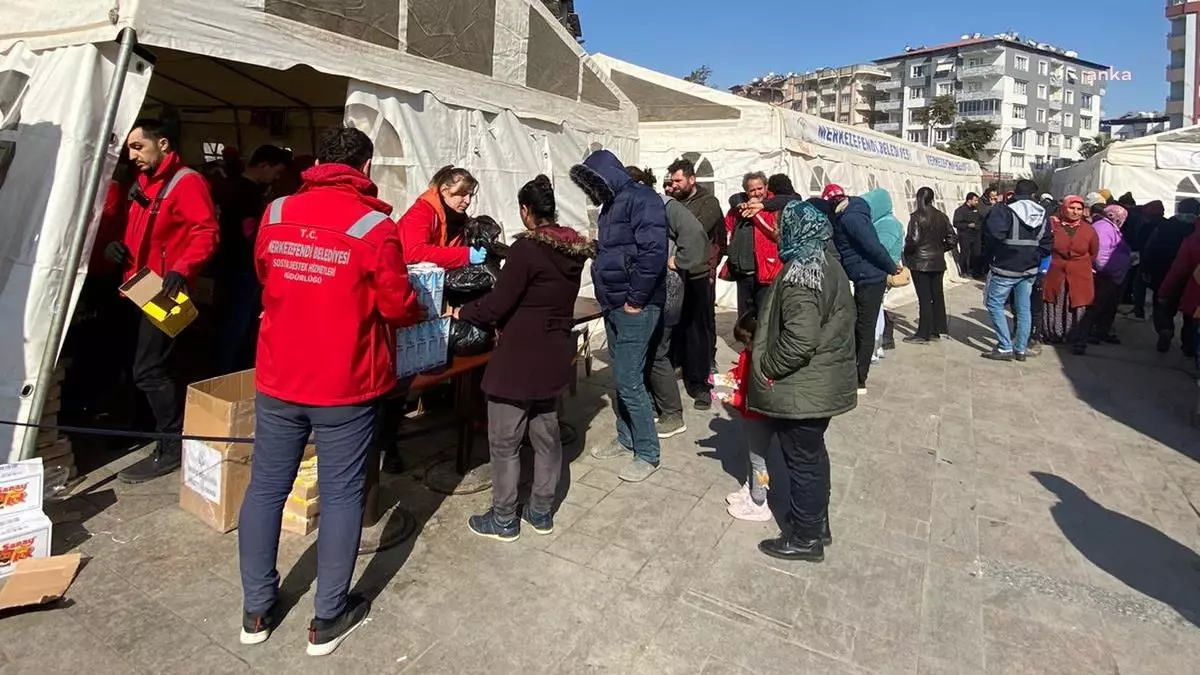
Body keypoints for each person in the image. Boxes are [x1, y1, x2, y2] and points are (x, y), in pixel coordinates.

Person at [238, 126, 426, 656]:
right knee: (342, 495)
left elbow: (264, 273)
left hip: (278, 375)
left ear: (318, 162)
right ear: (364, 168)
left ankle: (256, 609)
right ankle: (328, 615)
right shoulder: (374, 225)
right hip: (345, 383)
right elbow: (396, 305)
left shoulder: (276, 213)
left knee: (267, 487)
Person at [460, 175, 593, 541]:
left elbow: (498, 304)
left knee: (504, 441)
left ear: (525, 211)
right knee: (546, 435)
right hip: (553, 352)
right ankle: (540, 511)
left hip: (519, 356)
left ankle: (504, 517)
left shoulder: (527, 251)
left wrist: (464, 312)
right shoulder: (571, 251)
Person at [102, 119, 219, 483]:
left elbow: (207, 231)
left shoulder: (187, 182)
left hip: (163, 291)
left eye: (138, 146)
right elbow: (136, 229)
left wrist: (183, 269)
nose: (131, 154)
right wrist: (115, 246)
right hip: (135, 285)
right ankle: (140, 427)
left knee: (150, 369)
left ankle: (171, 444)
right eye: (129, 148)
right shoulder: (143, 183)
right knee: (135, 364)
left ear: (163, 144)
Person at [747, 200, 856, 562]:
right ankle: (815, 524)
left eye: (782, 226)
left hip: (802, 387)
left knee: (803, 461)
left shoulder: (801, 274)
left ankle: (806, 538)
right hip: (820, 383)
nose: (778, 232)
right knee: (812, 456)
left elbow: (800, 339)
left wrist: (767, 368)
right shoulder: (827, 262)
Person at [572, 150, 668, 482]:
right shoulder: (610, 207)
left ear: (609, 174)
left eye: (594, 182)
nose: (592, 190)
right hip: (614, 302)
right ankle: (626, 437)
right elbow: (619, 250)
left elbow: (654, 251)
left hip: (634, 304)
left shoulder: (643, 199)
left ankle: (647, 451)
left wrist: (636, 299)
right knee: (623, 377)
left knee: (629, 380)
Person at [627, 166, 706, 438]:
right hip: (647, 289)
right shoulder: (638, 208)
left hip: (667, 289)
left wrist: (679, 261)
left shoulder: (665, 205)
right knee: (649, 348)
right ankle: (654, 403)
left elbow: (695, 233)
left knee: (658, 349)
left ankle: (672, 414)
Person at [214, 144, 293, 374]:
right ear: (264, 165)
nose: (275, 178)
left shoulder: (230, 185)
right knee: (237, 328)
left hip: (227, 263)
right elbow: (251, 233)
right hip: (243, 267)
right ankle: (229, 375)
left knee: (229, 323)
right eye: (276, 172)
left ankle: (225, 371)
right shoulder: (247, 193)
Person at [819, 184, 900, 394]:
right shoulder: (850, 213)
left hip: (870, 276)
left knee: (865, 326)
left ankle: (859, 378)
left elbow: (872, 246)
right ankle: (853, 371)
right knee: (859, 323)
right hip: (864, 275)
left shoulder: (851, 218)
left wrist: (890, 267)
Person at [667, 157, 722, 399]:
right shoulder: (672, 201)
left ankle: (699, 381)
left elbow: (692, 231)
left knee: (698, 328)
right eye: (672, 181)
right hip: (676, 275)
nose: (674, 185)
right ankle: (678, 363)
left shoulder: (708, 203)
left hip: (698, 273)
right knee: (675, 324)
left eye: (678, 180)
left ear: (692, 179)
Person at [980, 179, 1052, 362]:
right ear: (1034, 194)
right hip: (1030, 268)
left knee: (994, 304)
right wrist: (1034, 257)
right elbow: (1047, 243)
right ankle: (1020, 348)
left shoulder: (1004, 210)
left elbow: (992, 236)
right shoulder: (1042, 213)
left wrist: (994, 256)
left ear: (1015, 192)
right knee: (1024, 308)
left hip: (1005, 267)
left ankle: (1004, 347)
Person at [719, 313, 773, 522]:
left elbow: (756, 396)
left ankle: (759, 502)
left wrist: (735, 400)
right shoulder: (748, 354)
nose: (743, 347)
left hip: (757, 416)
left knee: (759, 461)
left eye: (746, 342)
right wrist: (728, 377)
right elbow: (741, 373)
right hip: (750, 415)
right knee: (753, 458)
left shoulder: (762, 362)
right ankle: (751, 487)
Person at [397, 165, 488, 269]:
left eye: (470, 195)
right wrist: (465, 255)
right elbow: (414, 253)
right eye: (462, 194)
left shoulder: (460, 221)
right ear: (444, 191)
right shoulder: (421, 212)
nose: (468, 201)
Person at [1143, 198, 1200, 356]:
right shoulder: (1196, 230)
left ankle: (1165, 328)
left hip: (1163, 273)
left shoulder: (1165, 226)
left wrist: (1145, 268)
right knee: (1191, 313)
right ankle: (1188, 345)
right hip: (1192, 279)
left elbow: (1150, 248)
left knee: (1163, 306)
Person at [723, 172, 781, 320]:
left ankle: (764, 343)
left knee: (765, 313)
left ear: (766, 187)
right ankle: (748, 342)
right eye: (752, 190)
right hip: (743, 269)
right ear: (746, 192)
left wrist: (756, 214)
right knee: (745, 313)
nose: (756, 193)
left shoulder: (774, 208)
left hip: (767, 268)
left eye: (759, 188)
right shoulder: (738, 209)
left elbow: (775, 234)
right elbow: (726, 229)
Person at [1042, 196, 1098, 345]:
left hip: (1080, 275)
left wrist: (1078, 264)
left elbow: (1093, 252)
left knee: (1078, 303)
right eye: (1072, 208)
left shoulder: (1089, 230)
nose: (1075, 212)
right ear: (1064, 208)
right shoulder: (1053, 226)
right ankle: (1054, 333)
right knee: (1056, 301)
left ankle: (1077, 338)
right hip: (1056, 273)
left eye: (1079, 209)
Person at [903, 187, 956, 343]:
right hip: (937, 262)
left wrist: (909, 252)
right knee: (937, 296)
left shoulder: (917, 217)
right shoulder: (942, 217)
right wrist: (939, 249)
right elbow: (952, 239)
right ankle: (936, 330)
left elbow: (913, 239)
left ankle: (923, 333)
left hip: (920, 262)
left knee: (924, 298)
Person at [1075, 204, 1132, 351]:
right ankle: (1081, 339)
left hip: (1109, 276)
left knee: (1101, 307)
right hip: (1103, 276)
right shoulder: (1104, 228)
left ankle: (1096, 333)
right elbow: (1101, 255)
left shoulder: (1109, 227)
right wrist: (1109, 271)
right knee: (1092, 308)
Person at [861, 187, 905, 353]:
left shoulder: (887, 224)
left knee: (874, 310)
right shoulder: (882, 221)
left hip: (881, 272)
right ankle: (877, 345)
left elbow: (880, 250)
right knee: (876, 308)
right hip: (880, 271)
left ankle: (875, 345)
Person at [1128, 199, 1165, 320]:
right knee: (1158, 288)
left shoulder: (1149, 225)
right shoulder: (1166, 224)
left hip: (1146, 258)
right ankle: (1157, 314)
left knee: (1139, 284)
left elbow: (1142, 242)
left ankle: (1139, 312)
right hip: (1161, 261)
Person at [952, 192, 983, 280]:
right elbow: (956, 223)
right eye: (975, 200)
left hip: (976, 235)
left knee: (977, 253)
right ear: (969, 200)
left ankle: (976, 272)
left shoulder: (977, 210)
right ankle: (964, 271)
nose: (977, 202)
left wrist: (978, 226)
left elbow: (981, 220)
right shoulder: (960, 210)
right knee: (965, 253)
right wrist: (967, 225)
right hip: (965, 235)